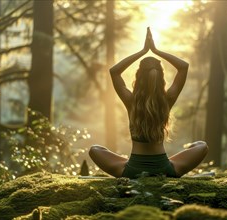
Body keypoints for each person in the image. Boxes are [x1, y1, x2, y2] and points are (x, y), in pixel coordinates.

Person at [89, 27, 208, 178]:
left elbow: (114, 71)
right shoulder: (167, 99)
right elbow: (183, 67)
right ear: (161, 77)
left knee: (95, 149)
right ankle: (159, 165)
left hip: (132, 170)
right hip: (164, 169)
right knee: (201, 146)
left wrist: (143, 51)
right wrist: (156, 51)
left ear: (138, 77)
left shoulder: (131, 101)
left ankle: (140, 165)